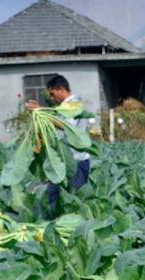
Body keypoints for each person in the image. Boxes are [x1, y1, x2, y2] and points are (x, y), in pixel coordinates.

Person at [26, 75, 90, 215]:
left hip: (76, 163)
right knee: (52, 198)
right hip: (62, 162)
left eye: (52, 94)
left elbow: (65, 126)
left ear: (61, 89)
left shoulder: (75, 104)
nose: (52, 98)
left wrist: (39, 111)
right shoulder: (61, 108)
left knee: (73, 201)